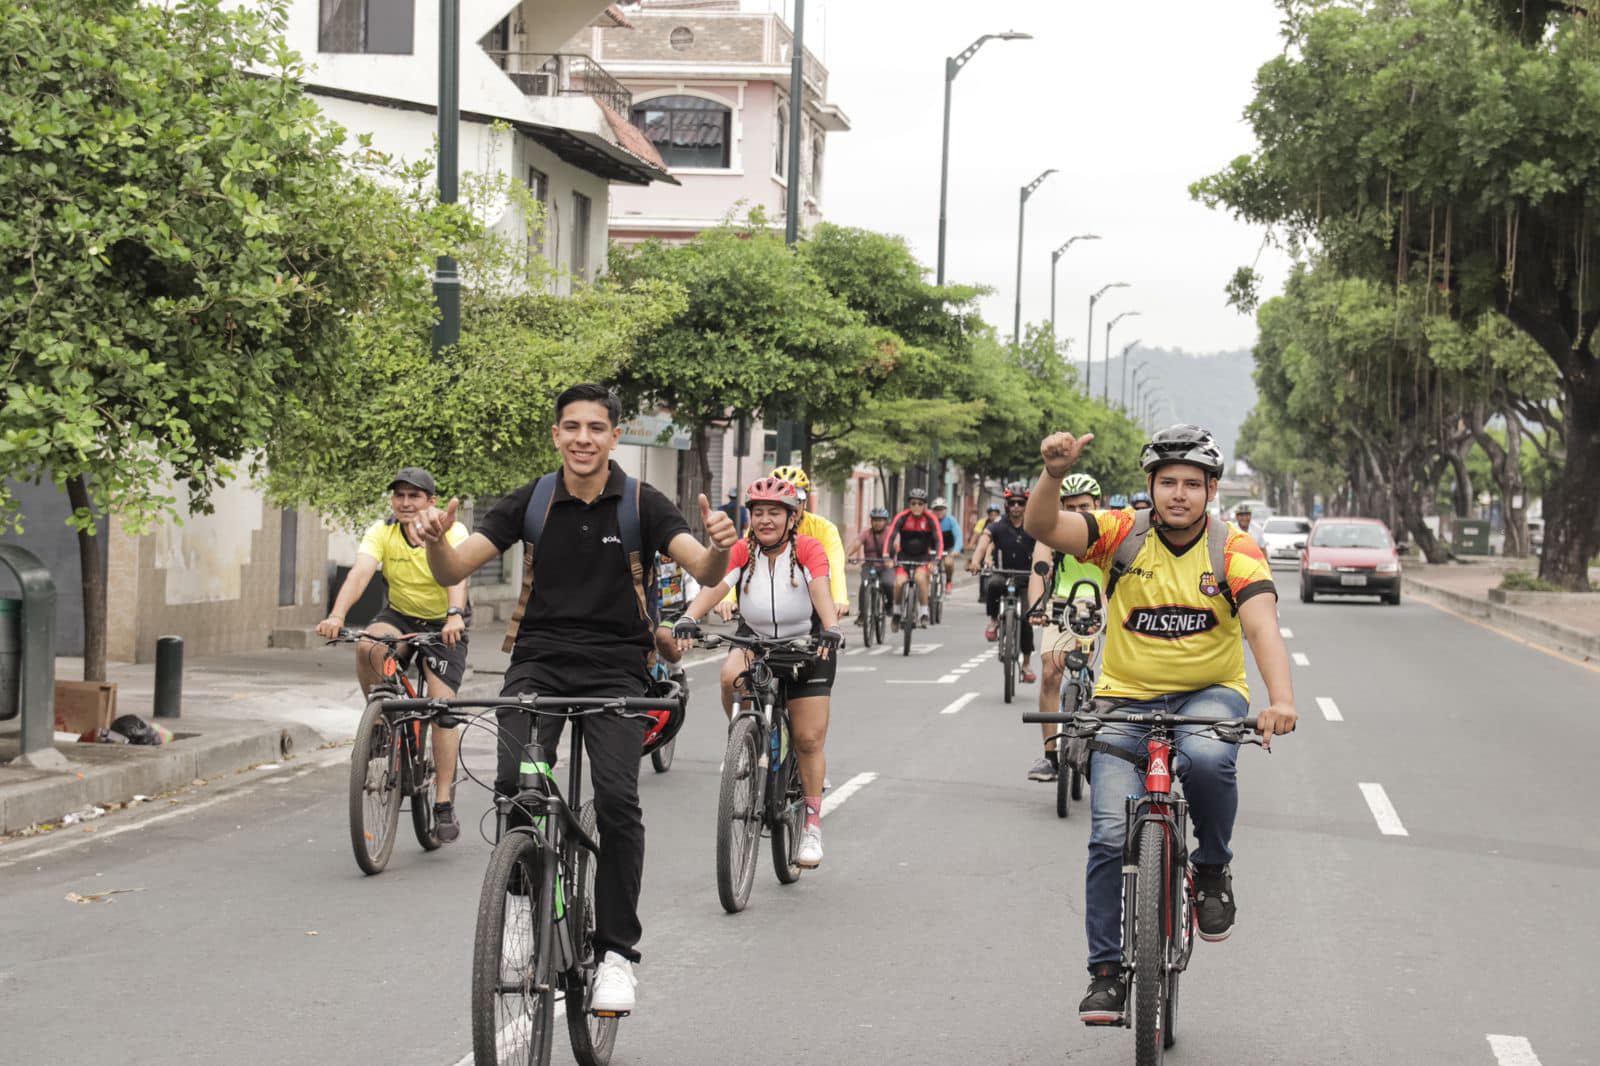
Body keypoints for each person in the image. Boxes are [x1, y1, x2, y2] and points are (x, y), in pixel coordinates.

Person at [409, 383, 738, 1015]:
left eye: (595, 427)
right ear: (556, 435)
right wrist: (433, 538)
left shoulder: (642, 501)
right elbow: (453, 572)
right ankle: (523, 911)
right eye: (571, 427)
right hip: (537, 667)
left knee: (617, 800)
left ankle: (617, 954)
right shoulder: (532, 499)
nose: (582, 438)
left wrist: (721, 539)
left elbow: (703, 567)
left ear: (616, 436)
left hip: (618, 669)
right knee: (519, 785)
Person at [1022, 424, 1297, 1026]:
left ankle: (1212, 868)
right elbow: (1043, 528)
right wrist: (1052, 473)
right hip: (1124, 699)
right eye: (1167, 482)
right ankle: (1105, 973)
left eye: (1192, 484)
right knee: (1106, 835)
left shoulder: (1235, 548)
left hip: (1209, 694)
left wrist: (1280, 698)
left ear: (1212, 491)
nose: (1178, 494)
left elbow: (1260, 627)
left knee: (1207, 758)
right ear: (1150, 487)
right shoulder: (1121, 533)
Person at [674, 478, 842, 867]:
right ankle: (747, 742)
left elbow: (821, 588)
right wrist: (687, 616)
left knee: (808, 739)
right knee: (729, 677)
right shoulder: (741, 551)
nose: (765, 520)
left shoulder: (808, 548)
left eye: (774, 512)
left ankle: (812, 827)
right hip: (757, 641)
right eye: (758, 512)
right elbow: (715, 587)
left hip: (808, 644)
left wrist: (831, 628)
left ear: (791, 516)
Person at [316, 467, 470, 842]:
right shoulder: (381, 531)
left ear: (430, 501)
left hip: (443, 621)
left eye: (413, 496)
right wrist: (337, 614)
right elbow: (360, 574)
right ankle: (382, 723)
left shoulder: (452, 529)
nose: (405, 502)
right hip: (400, 615)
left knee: (441, 706)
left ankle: (444, 800)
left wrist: (453, 615)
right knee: (370, 645)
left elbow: (458, 578)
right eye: (399, 495)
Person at [1023, 473, 1104, 782]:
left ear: (1097, 503)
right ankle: (1049, 756)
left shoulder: (1110, 530)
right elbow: (1039, 570)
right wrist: (1035, 607)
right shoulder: (1051, 530)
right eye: (1070, 507)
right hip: (1061, 602)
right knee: (1051, 670)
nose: (1077, 513)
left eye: (1084, 506)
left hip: (1098, 604)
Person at [717, 465, 850, 622]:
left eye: (796, 500)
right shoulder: (758, 530)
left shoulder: (825, 529)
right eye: (781, 503)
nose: (791, 506)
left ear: (805, 502)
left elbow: (835, 566)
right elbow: (736, 565)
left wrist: (839, 598)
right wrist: (727, 597)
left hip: (809, 603)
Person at [966, 484, 1039, 683]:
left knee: (1026, 619)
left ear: (1026, 505)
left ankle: (1026, 664)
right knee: (992, 584)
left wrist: (1045, 568)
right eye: (1012, 502)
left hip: (1026, 578)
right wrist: (975, 561)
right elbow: (983, 541)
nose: (1016, 506)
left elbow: (1044, 548)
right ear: (1006, 505)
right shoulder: (998, 525)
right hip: (1003, 573)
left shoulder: (1034, 526)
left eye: (1020, 503)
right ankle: (994, 621)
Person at [884, 488, 944, 628]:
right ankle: (897, 613)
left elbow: (938, 540)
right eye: (913, 503)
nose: (916, 506)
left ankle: (924, 613)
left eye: (920, 504)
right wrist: (887, 556)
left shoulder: (930, 519)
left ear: (925, 505)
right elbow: (891, 536)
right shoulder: (902, 517)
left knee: (920, 579)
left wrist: (937, 560)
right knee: (898, 583)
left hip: (923, 558)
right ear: (909, 504)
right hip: (904, 557)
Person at [849, 506, 896, 619]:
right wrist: (847, 555)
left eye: (880, 520)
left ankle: (889, 604)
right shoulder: (866, 533)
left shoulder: (890, 533)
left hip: (886, 566)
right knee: (864, 584)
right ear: (871, 521)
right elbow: (856, 543)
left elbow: (897, 546)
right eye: (875, 520)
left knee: (888, 583)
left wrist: (894, 561)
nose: (877, 523)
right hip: (869, 565)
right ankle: (862, 614)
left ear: (885, 521)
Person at [932, 497, 964, 591]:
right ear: (933, 510)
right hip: (933, 549)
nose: (939, 512)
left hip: (948, 549)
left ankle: (949, 581)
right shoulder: (930, 520)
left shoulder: (951, 520)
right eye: (936, 509)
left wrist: (956, 550)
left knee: (948, 563)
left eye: (941, 509)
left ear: (945, 510)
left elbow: (958, 536)